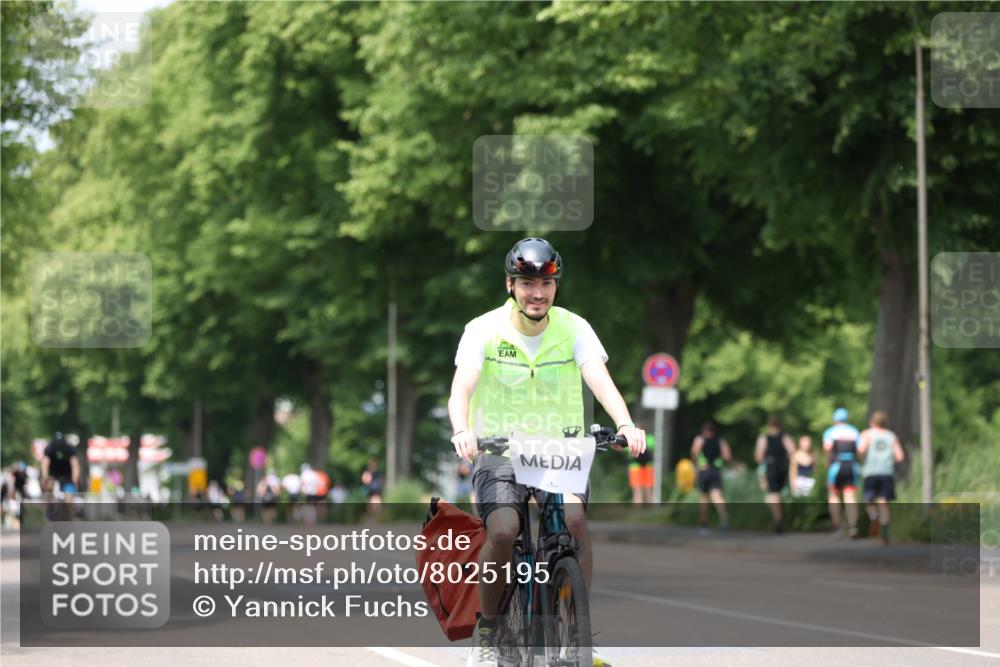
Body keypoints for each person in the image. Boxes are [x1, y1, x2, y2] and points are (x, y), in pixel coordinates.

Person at [448, 238, 645, 667]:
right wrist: (463, 429)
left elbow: (598, 376)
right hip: (499, 449)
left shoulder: (575, 327)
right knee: (502, 531)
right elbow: (462, 385)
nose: (537, 293)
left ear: (556, 287)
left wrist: (625, 423)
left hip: (560, 449)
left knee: (574, 524)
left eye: (546, 283)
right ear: (510, 285)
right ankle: (489, 634)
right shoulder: (483, 329)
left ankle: (580, 635)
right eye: (526, 283)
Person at [858, 410, 905, 545]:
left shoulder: (867, 434)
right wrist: (888, 461)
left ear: (872, 422)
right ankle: (885, 533)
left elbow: (861, 450)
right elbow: (900, 456)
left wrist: (863, 460)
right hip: (886, 472)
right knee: (884, 503)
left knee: (869, 501)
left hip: (870, 472)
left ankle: (874, 516)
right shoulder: (891, 436)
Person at [823, 408, 861, 538]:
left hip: (836, 466)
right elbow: (859, 451)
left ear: (835, 419)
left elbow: (827, 449)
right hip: (851, 465)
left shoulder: (830, 432)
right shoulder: (854, 431)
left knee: (833, 496)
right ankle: (853, 527)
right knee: (850, 497)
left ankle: (837, 527)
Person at [754, 416, 795, 533]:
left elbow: (759, 456)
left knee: (773, 495)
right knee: (781, 494)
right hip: (783, 467)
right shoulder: (785, 437)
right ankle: (782, 518)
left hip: (771, 467)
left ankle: (778, 520)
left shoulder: (764, 438)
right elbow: (792, 451)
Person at [691, 421, 731, 533]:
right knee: (717, 496)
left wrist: (697, 464)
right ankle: (724, 518)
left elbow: (694, 454)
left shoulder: (700, 440)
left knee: (704, 498)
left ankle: (704, 524)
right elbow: (727, 456)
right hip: (715, 471)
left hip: (704, 471)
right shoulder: (720, 441)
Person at [628, 428, 655, 505]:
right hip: (636, 467)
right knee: (637, 490)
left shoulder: (649, 438)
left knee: (648, 489)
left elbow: (652, 445)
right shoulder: (632, 439)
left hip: (646, 467)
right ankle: (638, 510)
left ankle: (650, 509)